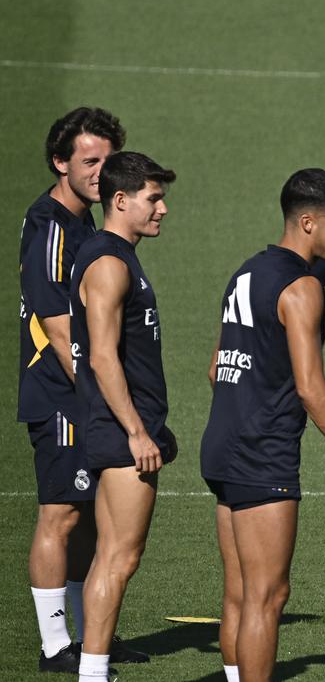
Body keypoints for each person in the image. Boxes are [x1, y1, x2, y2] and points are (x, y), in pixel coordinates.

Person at [200, 169, 325, 682]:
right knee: (268, 594)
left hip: (221, 444)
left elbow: (216, 368)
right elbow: (311, 388)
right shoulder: (301, 290)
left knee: (239, 591)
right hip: (263, 453)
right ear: (308, 221)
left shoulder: (249, 271)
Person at [18, 108, 147, 673]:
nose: (100, 172)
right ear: (59, 162)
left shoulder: (86, 226)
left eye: (108, 161)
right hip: (61, 393)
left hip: (85, 394)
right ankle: (54, 645)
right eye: (89, 161)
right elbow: (58, 323)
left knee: (94, 517)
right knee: (62, 514)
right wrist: (105, 400)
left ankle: (87, 633)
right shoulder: (50, 227)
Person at [69, 151, 177, 681]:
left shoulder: (114, 255)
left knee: (109, 555)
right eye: (153, 198)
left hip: (124, 425)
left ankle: (93, 667)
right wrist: (138, 431)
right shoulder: (110, 264)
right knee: (121, 557)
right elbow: (103, 356)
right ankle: (92, 671)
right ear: (120, 200)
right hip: (121, 432)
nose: (162, 209)